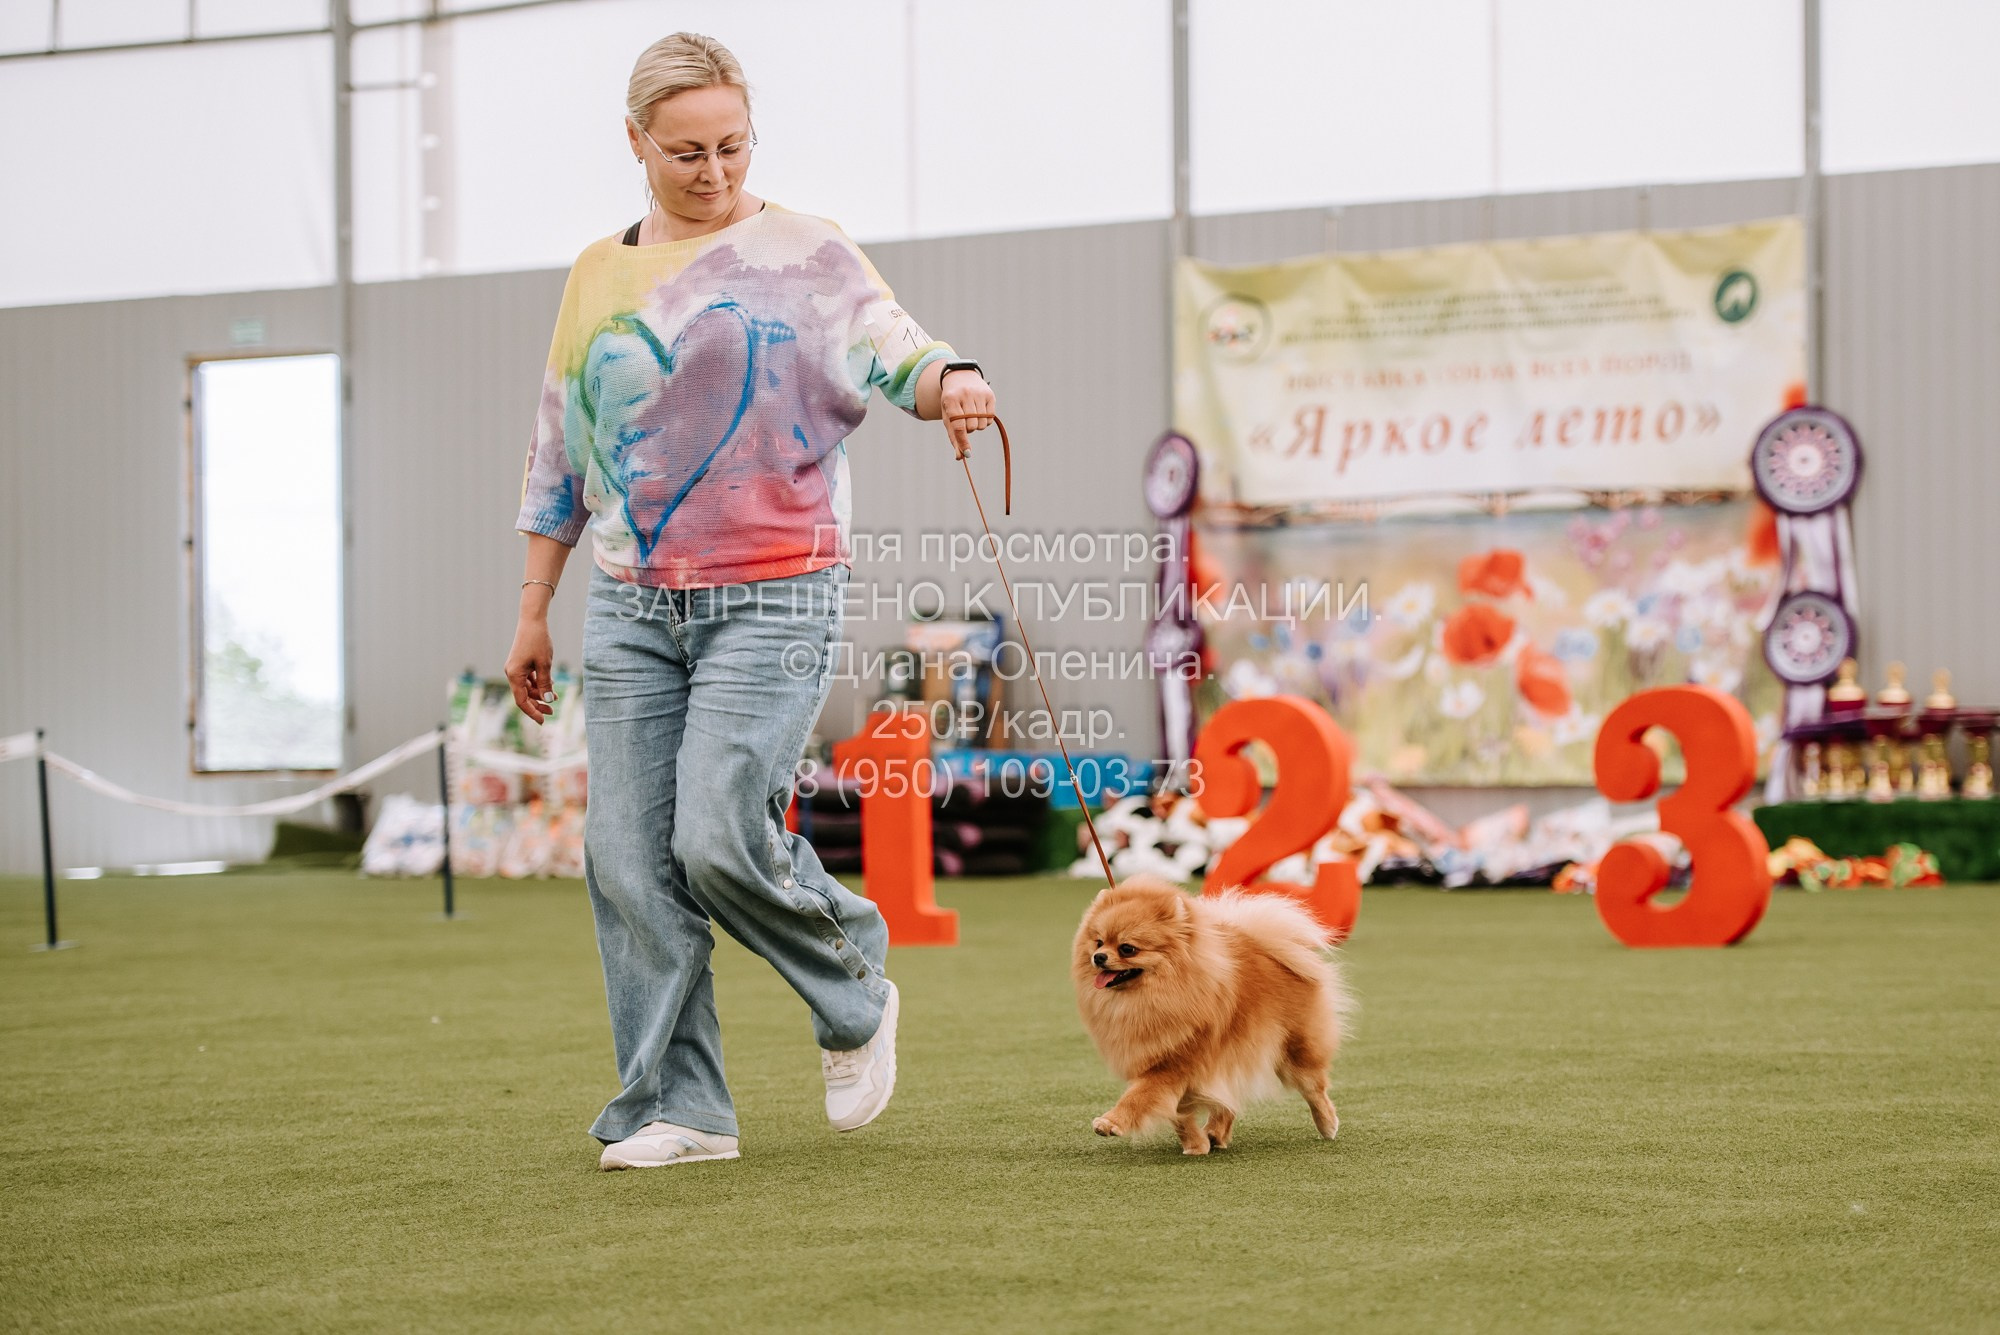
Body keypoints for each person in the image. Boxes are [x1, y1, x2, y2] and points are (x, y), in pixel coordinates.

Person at [503, 31, 996, 1170]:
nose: (713, 171)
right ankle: (680, 1109)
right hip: (630, 603)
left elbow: (899, 352)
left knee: (719, 835)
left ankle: (853, 986)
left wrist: (955, 381)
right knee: (628, 859)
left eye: (732, 145)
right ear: (636, 143)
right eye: (686, 151)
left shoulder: (808, 251)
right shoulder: (595, 274)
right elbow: (559, 449)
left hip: (776, 593)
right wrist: (534, 605)